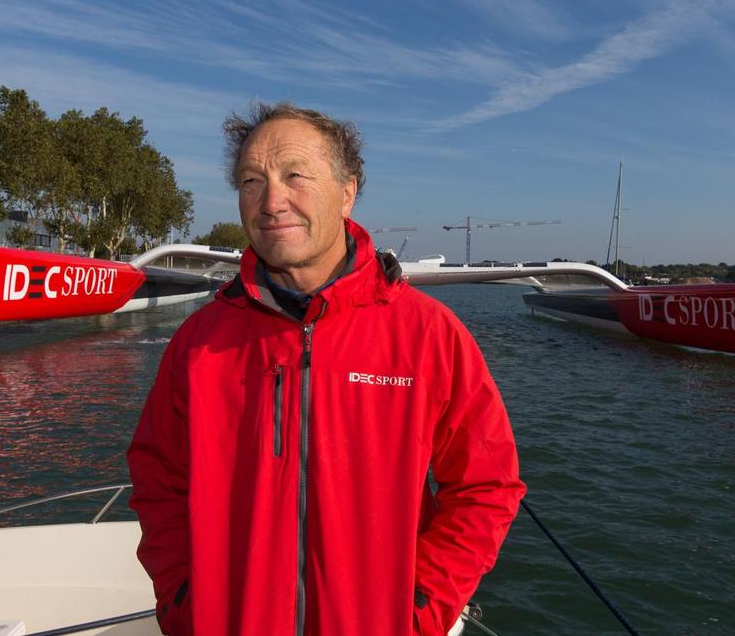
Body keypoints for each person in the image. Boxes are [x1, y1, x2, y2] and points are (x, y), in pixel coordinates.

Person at [127, 103, 525, 636]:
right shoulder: (199, 344)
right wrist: (184, 598)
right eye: (252, 180)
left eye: (295, 175)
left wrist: (421, 606)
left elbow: (486, 485)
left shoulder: (428, 335)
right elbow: (158, 480)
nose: (272, 201)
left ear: (347, 191)